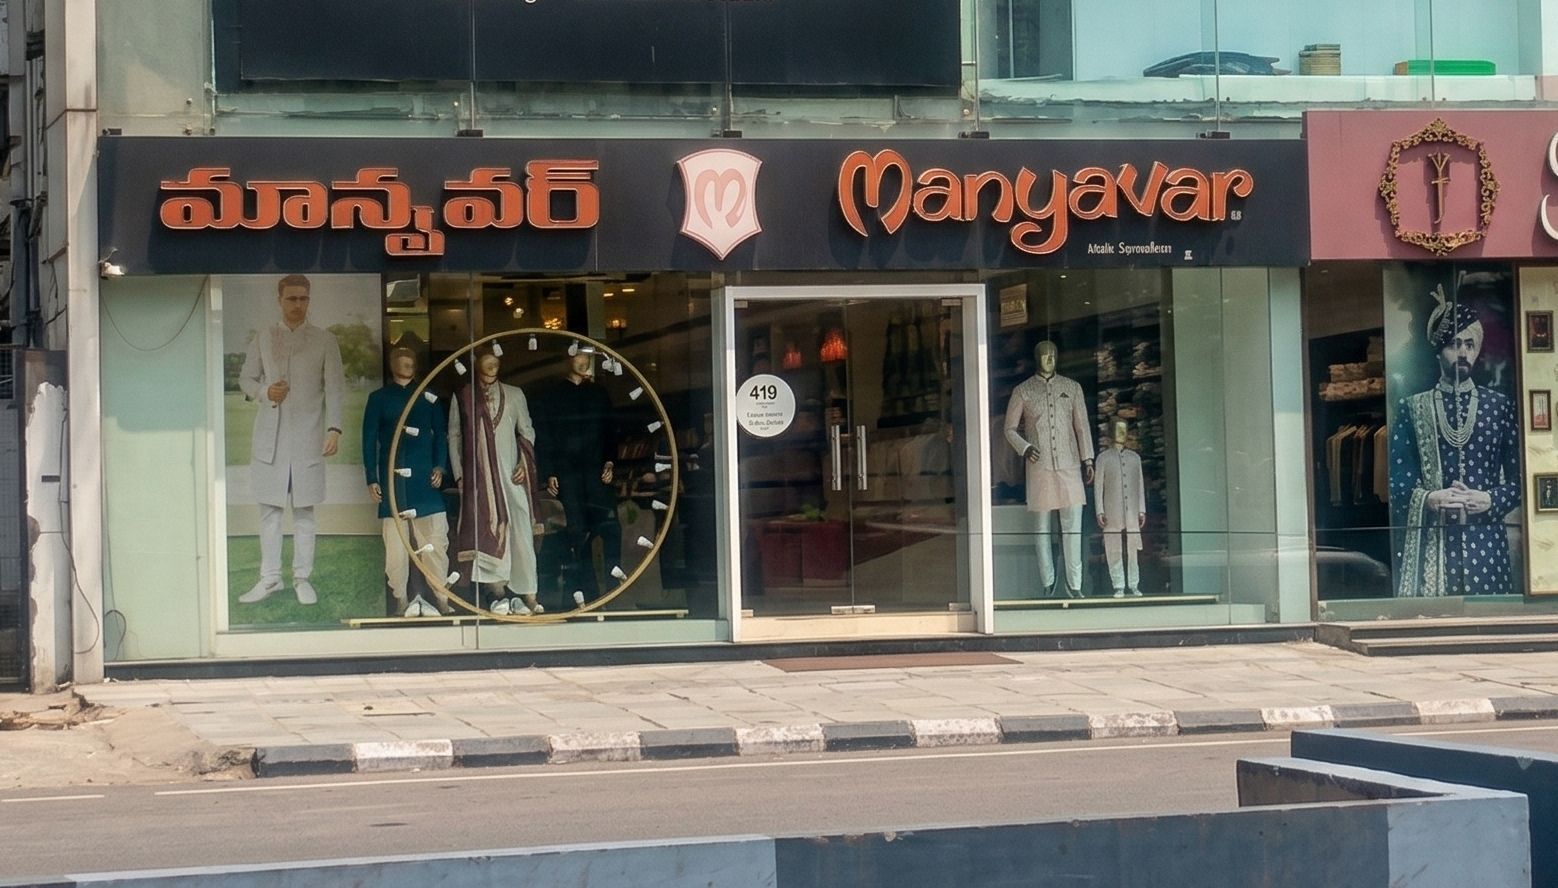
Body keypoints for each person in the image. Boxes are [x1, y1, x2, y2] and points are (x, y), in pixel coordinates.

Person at [1391, 286, 1520, 597]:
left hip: (1486, 545)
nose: (1462, 352)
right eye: (1453, 344)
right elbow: (1397, 484)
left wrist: (1490, 499)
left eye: (1469, 344)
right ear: (1438, 351)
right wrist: (1431, 498)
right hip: (1434, 541)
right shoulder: (1413, 408)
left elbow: (1522, 481)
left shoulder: (1499, 407)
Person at [237, 274, 345, 606]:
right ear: (279, 300)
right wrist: (264, 391)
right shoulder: (263, 338)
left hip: (308, 438)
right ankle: (270, 579)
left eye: (303, 298)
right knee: (270, 512)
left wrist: (334, 428)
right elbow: (245, 379)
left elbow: (335, 388)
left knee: (304, 512)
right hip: (269, 438)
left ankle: (302, 579)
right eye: (292, 298)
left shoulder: (325, 340)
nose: (298, 304)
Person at [448, 349, 543, 616]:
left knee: (520, 530)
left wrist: (523, 463)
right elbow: (454, 437)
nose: (492, 364)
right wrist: (460, 475)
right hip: (480, 479)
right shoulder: (464, 396)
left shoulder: (515, 394)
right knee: (489, 529)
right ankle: (498, 594)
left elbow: (527, 430)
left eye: (495, 360)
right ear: (477, 363)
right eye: (486, 359)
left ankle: (528, 595)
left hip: (512, 476)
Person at [363, 347, 450, 617]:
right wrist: (372, 477)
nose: (407, 366)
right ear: (392, 365)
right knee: (395, 547)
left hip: (425, 479)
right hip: (394, 481)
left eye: (411, 362)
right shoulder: (379, 398)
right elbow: (369, 439)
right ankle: (400, 598)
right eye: (402, 362)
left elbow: (441, 434)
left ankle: (441, 596)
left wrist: (440, 466)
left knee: (435, 540)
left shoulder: (428, 396)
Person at [1004, 340, 1094, 598]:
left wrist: (1088, 459)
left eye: (1053, 355)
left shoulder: (1072, 388)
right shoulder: (1023, 391)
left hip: (1069, 464)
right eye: (1044, 355)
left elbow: (1082, 427)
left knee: (1072, 525)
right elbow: (1009, 429)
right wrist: (1025, 448)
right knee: (1042, 527)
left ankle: (1074, 584)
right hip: (1039, 465)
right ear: (1037, 358)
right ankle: (1048, 582)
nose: (1049, 359)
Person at [534, 347, 623, 607]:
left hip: (596, 472)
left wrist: (610, 461)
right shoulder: (552, 395)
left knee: (607, 527)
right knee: (576, 532)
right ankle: (579, 594)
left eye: (586, 358)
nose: (583, 362)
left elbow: (610, 429)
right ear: (567, 359)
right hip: (568, 473)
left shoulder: (598, 393)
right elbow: (545, 435)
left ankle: (610, 591)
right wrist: (549, 471)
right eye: (578, 357)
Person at [1094, 418, 1146, 598]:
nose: (1121, 433)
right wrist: (1100, 510)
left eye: (1124, 429)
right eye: (1117, 429)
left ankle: (1134, 583)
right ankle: (1118, 585)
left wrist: (1141, 509)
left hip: (1132, 509)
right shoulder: (1103, 458)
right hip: (1112, 508)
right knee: (1113, 547)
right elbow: (1098, 487)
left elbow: (1140, 485)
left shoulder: (1135, 458)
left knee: (1133, 547)